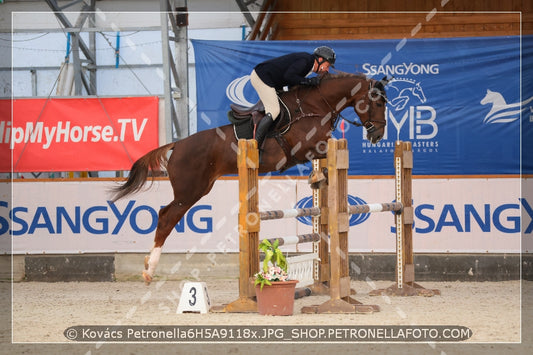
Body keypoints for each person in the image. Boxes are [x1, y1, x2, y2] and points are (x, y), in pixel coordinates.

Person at [250, 46, 336, 148]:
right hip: (262, 78)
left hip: (273, 81)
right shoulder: (305, 61)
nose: (327, 69)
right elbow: (289, 77)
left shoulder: (309, 66)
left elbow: (292, 83)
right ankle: (254, 146)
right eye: (327, 65)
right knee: (274, 110)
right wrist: (308, 81)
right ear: (320, 60)